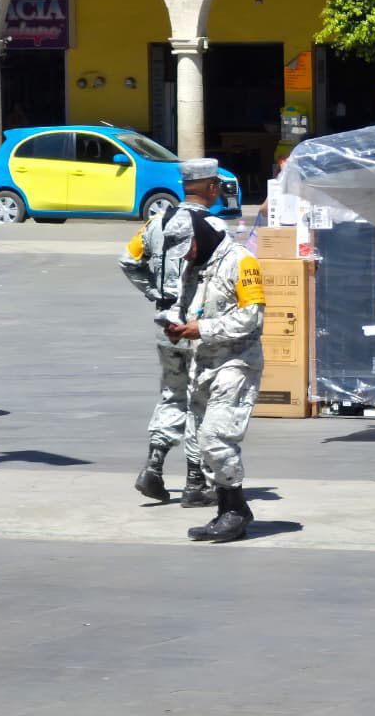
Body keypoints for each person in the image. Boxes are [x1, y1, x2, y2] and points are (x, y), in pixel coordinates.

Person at [119, 158, 230, 506]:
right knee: (200, 401)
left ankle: (154, 467)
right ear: (210, 187)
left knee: (171, 394)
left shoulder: (156, 221)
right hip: (197, 327)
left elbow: (128, 260)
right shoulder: (213, 226)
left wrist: (157, 294)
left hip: (166, 323)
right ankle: (195, 482)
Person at [159, 209, 266, 543]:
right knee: (202, 441)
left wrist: (201, 328)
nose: (187, 255)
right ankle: (224, 509)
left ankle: (237, 510)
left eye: (188, 247)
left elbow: (251, 318)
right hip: (203, 364)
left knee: (217, 439)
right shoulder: (195, 266)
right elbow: (184, 305)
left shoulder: (242, 262)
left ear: (199, 235)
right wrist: (176, 324)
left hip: (237, 364)